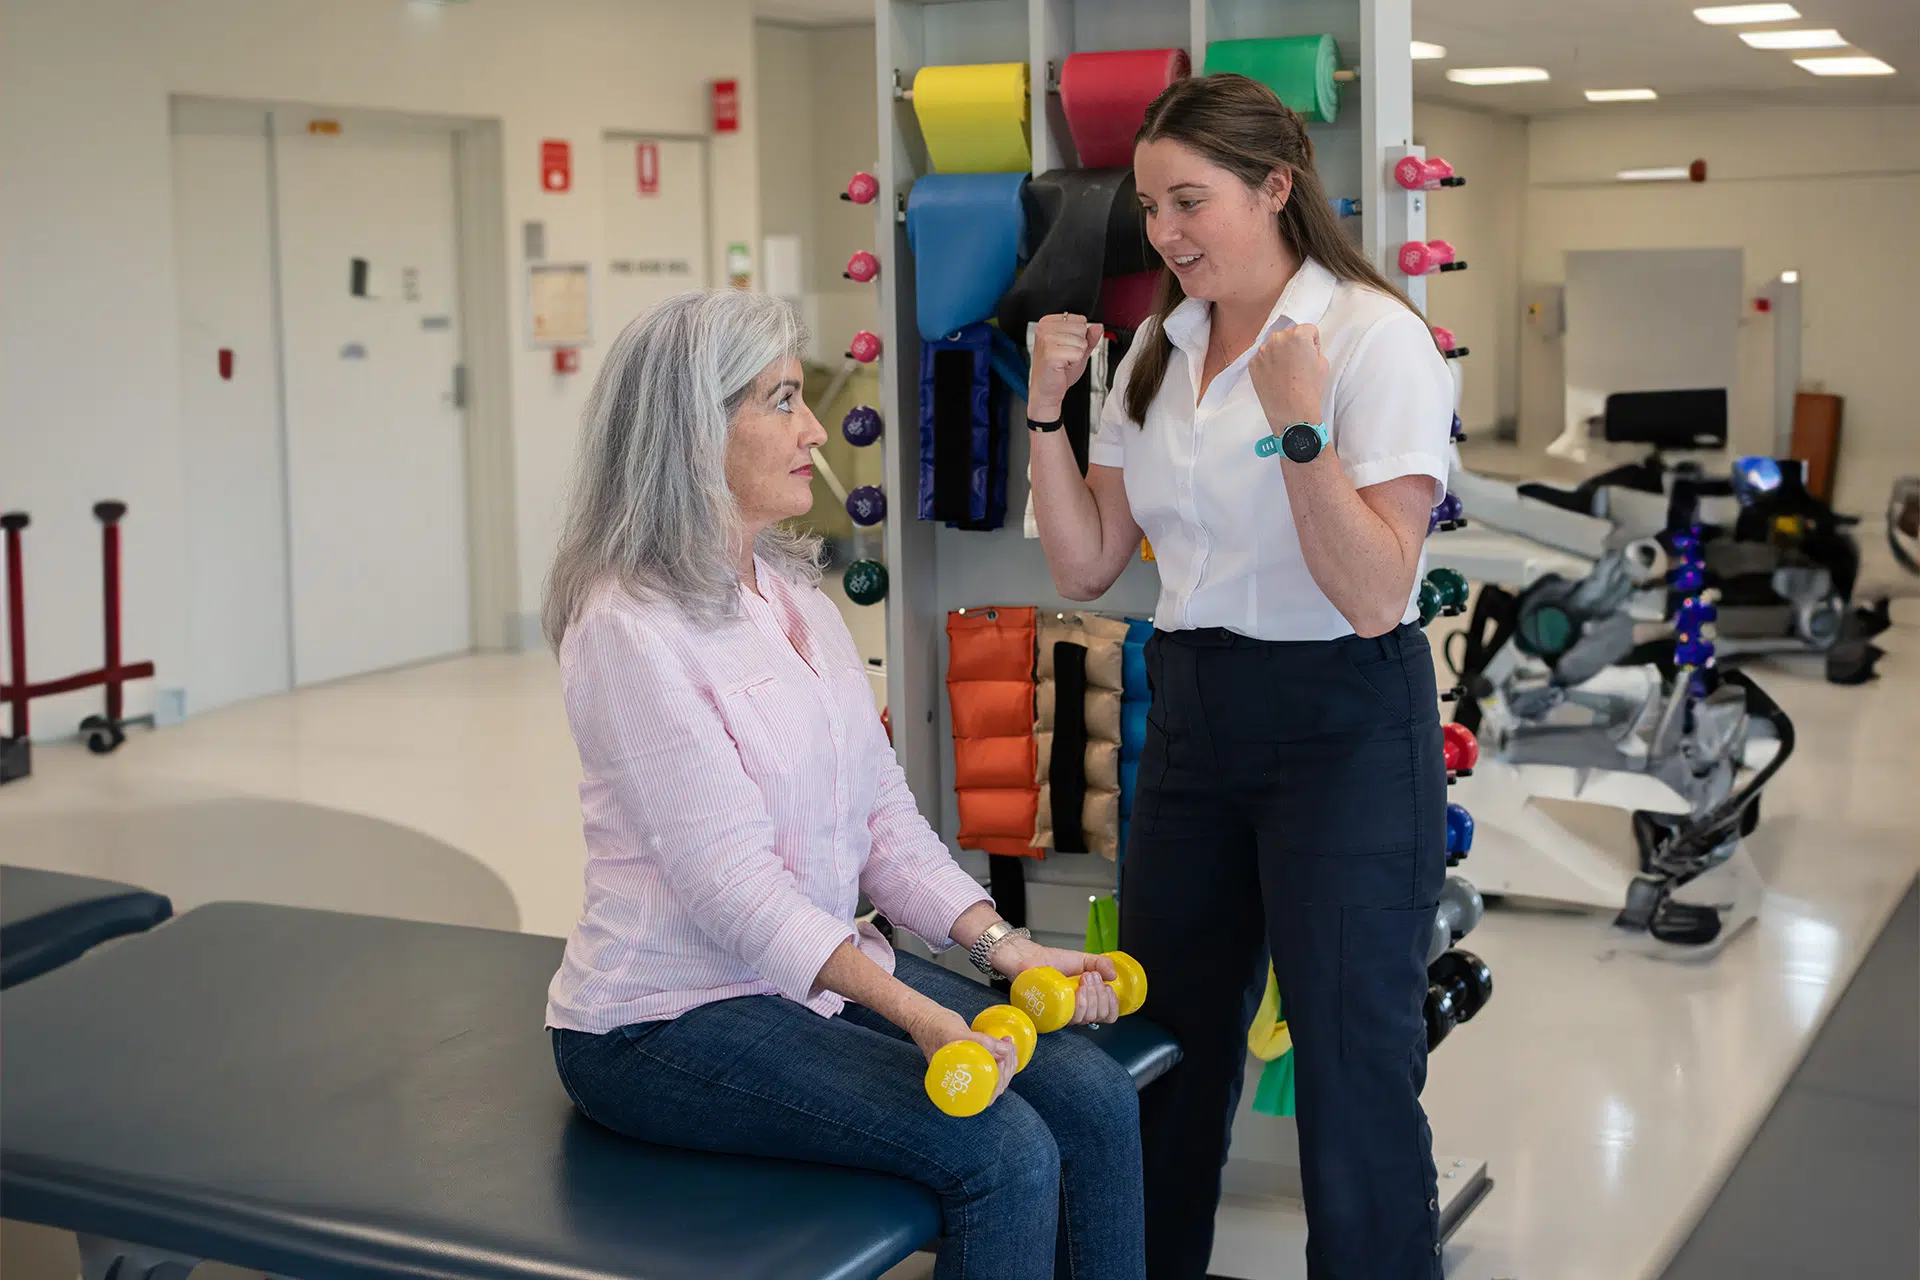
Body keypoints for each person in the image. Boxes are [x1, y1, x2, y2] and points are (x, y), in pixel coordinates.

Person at [540, 288, 1146, 1280]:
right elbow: (731, 889)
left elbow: (881, 822)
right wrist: (914, 1009)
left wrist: (999, 946)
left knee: (1094, 1096)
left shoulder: (793, 600)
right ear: (695, 431)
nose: (816, 429)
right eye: (783, 399)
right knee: (1005, 1152)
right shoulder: (626, 629)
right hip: (668, 1019)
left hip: (803, 982)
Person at [1025, 74, 1454, 1278]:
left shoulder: (1378, 340)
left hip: (1345, 723)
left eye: (1190, 201)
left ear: (1276, 188)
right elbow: (1090, 558)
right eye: (1151, 205)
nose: (1164, 233)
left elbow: (1374, 594)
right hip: (1198, 713)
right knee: (1168, 1045)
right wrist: (1048, 415)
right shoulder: (1158, 349)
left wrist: (1303, 429)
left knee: (1351, 1068)